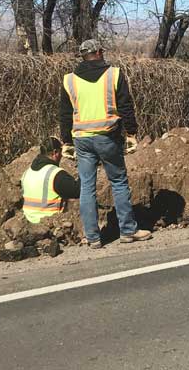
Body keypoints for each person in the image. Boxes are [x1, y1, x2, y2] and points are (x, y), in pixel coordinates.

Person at [59, 38, 152, 248]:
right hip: (107, 137)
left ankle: (93, 238)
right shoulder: (114, 74)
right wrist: (131, 133)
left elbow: (65, 114)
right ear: (99, 52)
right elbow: (126, 106)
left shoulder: (69, 80)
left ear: (83, 55)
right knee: (118, 182)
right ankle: (128, 231)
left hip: (81, 139)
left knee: (86, 187)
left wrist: (66, 140)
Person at [20, 137, 80, 224]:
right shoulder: (55, 174)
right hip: (49, 223)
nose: (61, 156)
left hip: (29, 222)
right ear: (55, 153)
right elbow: (77, 190)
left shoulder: (27, 172)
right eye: (60, 152)